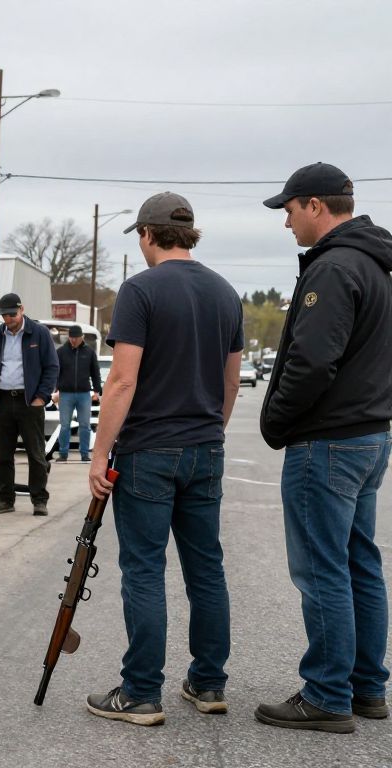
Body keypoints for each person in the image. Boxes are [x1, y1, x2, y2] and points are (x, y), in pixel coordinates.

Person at [85, 192, 242, 726]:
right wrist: (209, 432)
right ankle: (208, 682)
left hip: (149, 449)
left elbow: (123, 379)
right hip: (205, 447)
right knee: (207, 569)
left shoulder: (140, 290)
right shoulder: (225, 292)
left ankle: (140, 691)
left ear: (148, 234)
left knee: (145, 570)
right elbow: (230, 380)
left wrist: (100, 452)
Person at [256, 163, 392, 733]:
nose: (287, 223)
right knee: (360, 561)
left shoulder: (334, 267)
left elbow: (312, 361)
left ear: (315, 205)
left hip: (329, 440)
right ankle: (366, 688)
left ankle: (328, 695)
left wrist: (278, 422)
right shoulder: (377, 262)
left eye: (289, 211)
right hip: (369, 433)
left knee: (323, 568)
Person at [0, 293, 57, 516]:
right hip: (1, 401)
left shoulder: (39, 333)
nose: (9, 319)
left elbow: (52, 367)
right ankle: (5, 499)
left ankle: (39, 500)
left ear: (22, 309)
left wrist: (41, 397)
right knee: (4, 454)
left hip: (29, 402)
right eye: (4, 315)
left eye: (12, 314)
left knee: (36, 453)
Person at [53, 324, 102, 463]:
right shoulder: (61, 352)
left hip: (84, 394)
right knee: (64, 425)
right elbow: (56, 372)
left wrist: (97, 391)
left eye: (76, 338)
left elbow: (95, 373)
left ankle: (85, 454)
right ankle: (63, 454)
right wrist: (55, 389)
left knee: (85, 425)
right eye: (71, 338)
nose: (74, 340)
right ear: (68, 337)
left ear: (82, 337)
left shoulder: (89, 352)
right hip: (65, 394)